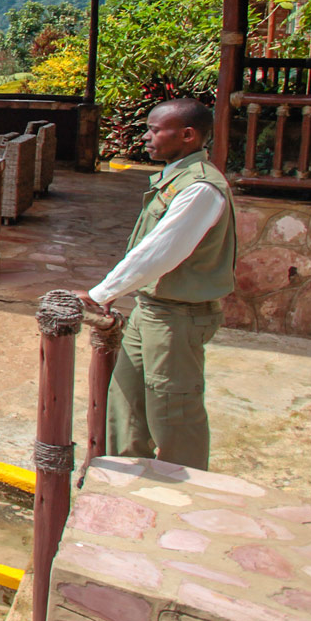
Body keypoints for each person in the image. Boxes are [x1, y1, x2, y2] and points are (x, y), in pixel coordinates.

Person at [77, 98, 236, 470]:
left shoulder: (200, 188)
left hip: (177, 316)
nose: (146, 136)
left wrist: (103, 293)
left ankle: (187, 486)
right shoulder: (176, 177)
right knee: (126, 400)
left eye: (155, 129)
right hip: (151, 309)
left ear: (187, 135)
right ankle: (127, 478)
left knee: (172, 408)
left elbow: (161, 252)